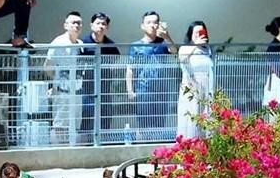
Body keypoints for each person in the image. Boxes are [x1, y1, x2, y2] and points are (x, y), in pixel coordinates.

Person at [127, 11, 178, 142]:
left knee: (159, 122)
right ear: (142, 26)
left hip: (161, 89)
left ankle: (158, 149)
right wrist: (130, 90)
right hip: (143, 89)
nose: (152, 25)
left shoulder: (164, 43)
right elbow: (130, 69)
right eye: (148, 22)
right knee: (143, 122)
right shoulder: (136, 46)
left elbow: (174, 51)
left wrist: (166, 35)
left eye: (155, 22)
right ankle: (143, 148)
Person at [45, 12, 87, 144]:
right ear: (66, 25)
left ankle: (72, 150)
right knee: (60, 124)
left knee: (75, 124)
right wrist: (57, 83)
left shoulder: (81, 44)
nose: (77, 25)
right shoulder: (59, 42)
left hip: (77, 92)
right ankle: (58, 151)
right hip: (62, 92)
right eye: (73, 22)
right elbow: (48, 66)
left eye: (79, 23)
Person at [81, 12, 121, 133]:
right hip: (88, 86)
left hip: (105, 85)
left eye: (103, 24)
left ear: (107, 27)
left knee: (105, 113)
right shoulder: (83, 43)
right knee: (87, 114)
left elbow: (116, 59)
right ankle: (86, 139)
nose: (101, 26)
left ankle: (104, 138)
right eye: (98, 23)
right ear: (91, 25)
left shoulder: (110, 44)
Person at [177, 21, 213, 139]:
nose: (199, 35)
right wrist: (195, 45)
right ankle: (190, 143)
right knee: (192, 115)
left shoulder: (208, 50)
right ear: (190, 34)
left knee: (206, 115)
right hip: (192, 88)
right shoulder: (185, 48)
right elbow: (182, 59)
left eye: (201, 32)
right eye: (196, 33)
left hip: (207, 88)